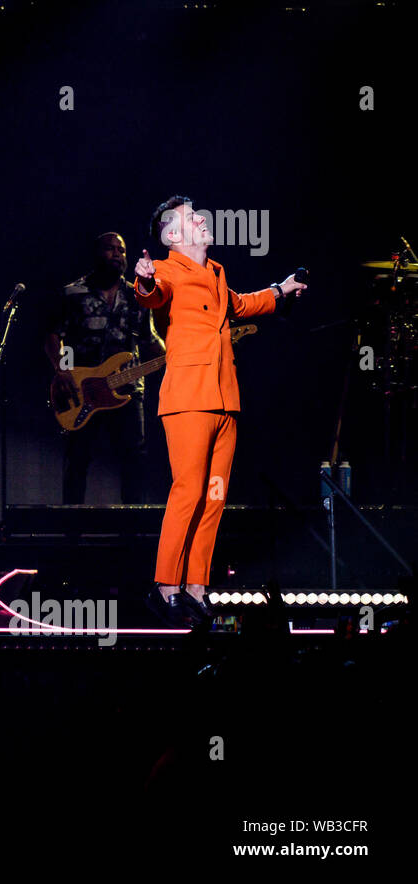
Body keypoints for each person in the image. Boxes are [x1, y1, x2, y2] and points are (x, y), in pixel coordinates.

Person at [134, 196, 305, 627]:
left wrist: (280, 290)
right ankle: (165, 587)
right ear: (173, 235)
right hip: (189, 397)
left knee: (214, 496)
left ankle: (196, 587)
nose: (203, 220)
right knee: (188, 491)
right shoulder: (167, 269)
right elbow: (153, 296)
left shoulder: (215, 272)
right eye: (193, 218)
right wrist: (146, 282)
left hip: (224, 397)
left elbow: (241, 305)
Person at [44, 232, 165, 504]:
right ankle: (71, 534)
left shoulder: (136, 296)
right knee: (77, 460)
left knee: (134, 459)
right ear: (96, 254)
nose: (117, 255)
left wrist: (174, 351)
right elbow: (54, 336)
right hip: (82, 389)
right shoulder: (72, 293)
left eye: (121, 250)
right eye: (110, 249)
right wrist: (62, 371)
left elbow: (148, 337)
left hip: (127, 389)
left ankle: (131, 535)